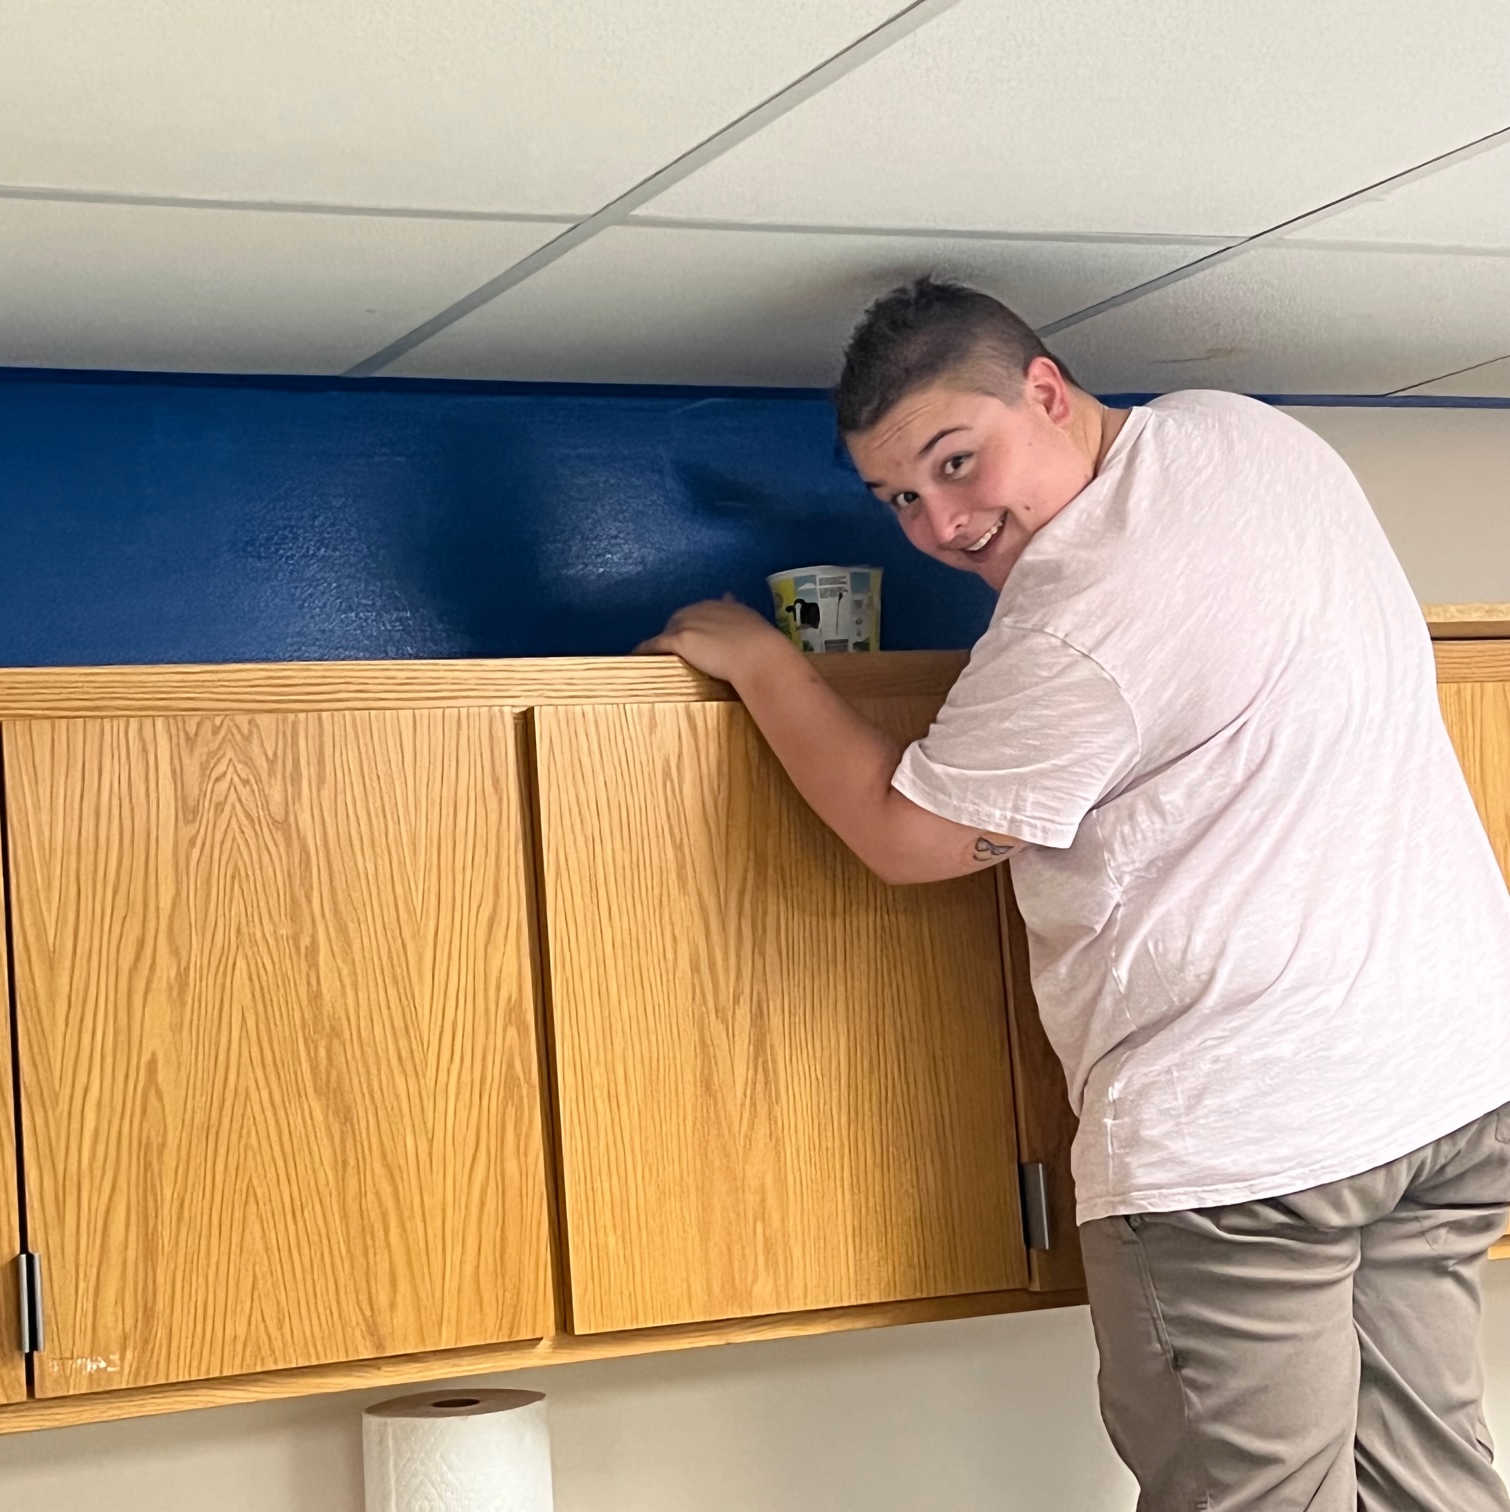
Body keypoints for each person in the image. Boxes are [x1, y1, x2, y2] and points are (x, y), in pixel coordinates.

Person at [640, 275, 1510, 1512]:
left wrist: (763, 661)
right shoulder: (1241, 432)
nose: (941, 523)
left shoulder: (1075, 619)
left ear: (1045, 392)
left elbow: (909, 837)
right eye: (900, 497)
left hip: (1249, 1144)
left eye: (957, 461)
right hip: (1453, 1085)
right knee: (1433, 1481)